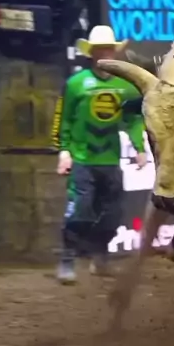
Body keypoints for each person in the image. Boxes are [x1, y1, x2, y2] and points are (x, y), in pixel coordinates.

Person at [54, 25, 147, 284]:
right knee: (80, 209)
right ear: (92, 52)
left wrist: (139, 147)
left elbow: (134, 119)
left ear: (114, 52)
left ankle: (101, 257)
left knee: (113, 213)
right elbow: (64, 119)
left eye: (108, 49)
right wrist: (64, 150)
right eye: (100, 49)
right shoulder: (76, 84)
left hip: (110, 159)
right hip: (82, 158)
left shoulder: (125, 87)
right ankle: (67, 259)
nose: (105, 53)